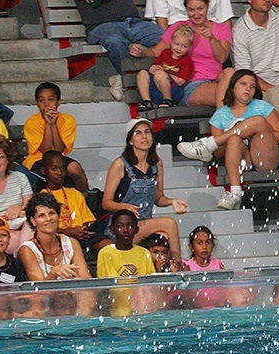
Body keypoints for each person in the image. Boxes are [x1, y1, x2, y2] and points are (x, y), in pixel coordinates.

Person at [177, 69, 279, 210]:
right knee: (234, 138)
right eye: (243, 84)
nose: (248, 88)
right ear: (233, 87)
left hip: (264, 157)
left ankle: (209, 144)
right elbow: (218, 153)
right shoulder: (220, 115)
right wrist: (239, 135)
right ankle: (235, 192)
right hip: (240, 160)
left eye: (252, 86)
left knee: (258, 121)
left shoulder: (262, 106)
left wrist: (254, 132)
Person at [129, 0, 233, 108]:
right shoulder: (179, 28)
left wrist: (212, 39)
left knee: (230, 73)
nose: (196, 14)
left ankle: (222, 119)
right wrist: (142, 52)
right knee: (230, 95)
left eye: (200, 9)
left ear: (207, 6)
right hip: (191, 83)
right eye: (191, 10)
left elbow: (222, 58)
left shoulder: (221, 29)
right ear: (186, 10)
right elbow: (156, 51)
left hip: (217, 79)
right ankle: (222, 121)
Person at [102, 118, 187, 261]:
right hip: (123, 227)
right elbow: (106, 203)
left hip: (145, 223)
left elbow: (158, 199)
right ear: (130, 140)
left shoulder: (156, 163)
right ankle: (177, 265)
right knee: (169, 223)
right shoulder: (120, 164)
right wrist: (124, 207)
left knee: (163, 238)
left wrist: (172, 201)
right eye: (138, 133)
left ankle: (161, 274)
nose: (144, 136)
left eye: (147, 132)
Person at [38, 150, 110, 253]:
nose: (59, 172)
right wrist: (68, 232)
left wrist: (84, 229)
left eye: (62, 168)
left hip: (82, 236)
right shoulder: (41, 197)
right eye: (54, 169)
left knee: (108, 246)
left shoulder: (75, 193)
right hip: (58, 238)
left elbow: (88, 220)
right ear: (44, 171)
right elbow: (42, 228)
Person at [22, 82, 89, 192]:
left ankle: (86, 199)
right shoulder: (32, 122)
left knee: (74, 168)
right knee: (51, 170)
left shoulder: (67, 120)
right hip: (38, 160)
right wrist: (48, 124)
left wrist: (53, 125)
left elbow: (59, 150)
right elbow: (46, 151)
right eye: (42, 101)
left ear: (58, 102)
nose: (46, 104)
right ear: (37, 104)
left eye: (51, 100)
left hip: (59, 157)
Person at [18, 192, 91, 281]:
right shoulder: (27, 250)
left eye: (52, 213)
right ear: (33, 221)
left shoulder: (72, 243)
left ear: (58, 216)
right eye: (42, 216)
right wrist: (53, 273)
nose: (48, 218)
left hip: (72, 293)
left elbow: (86, 280)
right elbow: (38, 290)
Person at [135, 24, 194, 110]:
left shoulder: (187, 61)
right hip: (156, 89)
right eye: (176, 44)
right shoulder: (165, 53)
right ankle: (146, 101)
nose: (179, 48)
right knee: (142, 73)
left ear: (189, 48)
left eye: (184, 46)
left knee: (160, 74)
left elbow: (180, 81)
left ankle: (167, 100)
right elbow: (156, 66)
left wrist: (165, 74)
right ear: (171, 42)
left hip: (173, 91)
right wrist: (153, 69)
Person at [96, 208, 156, 277]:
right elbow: (104, 281)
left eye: (130, 226)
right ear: (112, 229)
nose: (125, 230)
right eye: (120, 226)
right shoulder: (105, 253)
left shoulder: (144, 253)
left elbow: (150, 281)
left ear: (136, 229)